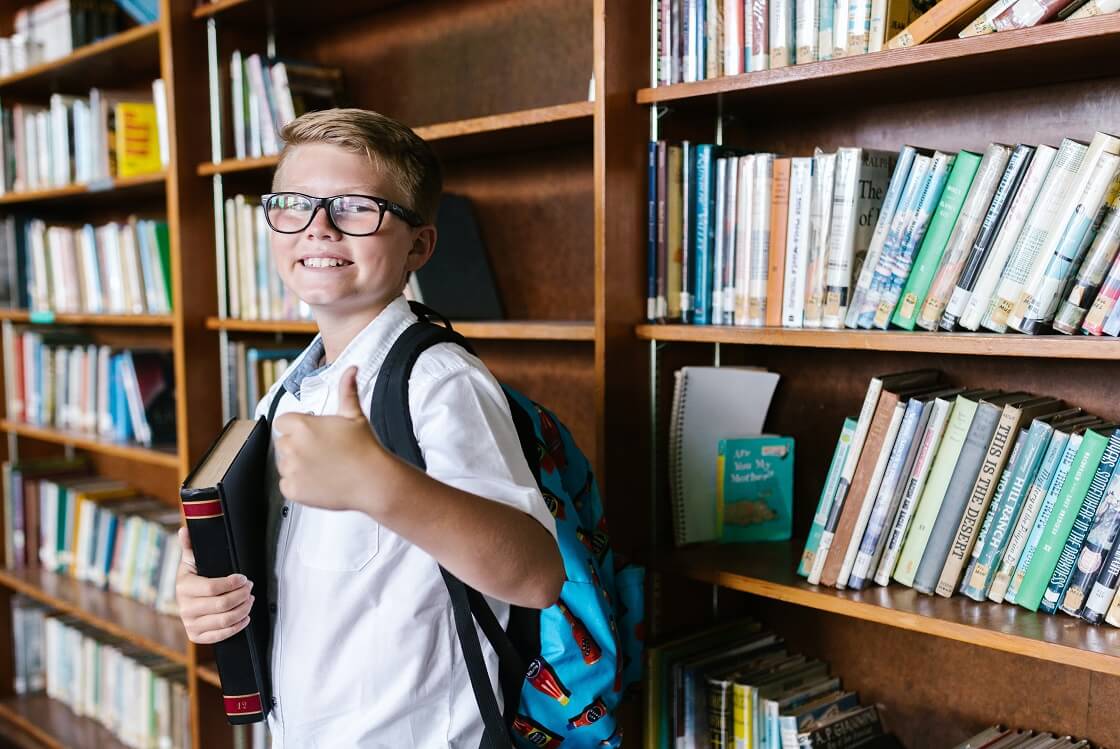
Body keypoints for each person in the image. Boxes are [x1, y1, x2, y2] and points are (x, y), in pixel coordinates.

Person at [174, 108, 564, 747]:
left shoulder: (439, 382)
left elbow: (536, 573)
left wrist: (378, 483)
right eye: (294, 203)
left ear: (418, 246)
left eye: (355, 207)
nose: (319, 227)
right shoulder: (289, 387)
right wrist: (202, 583)